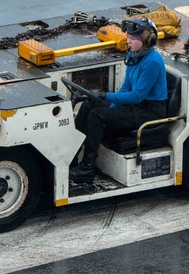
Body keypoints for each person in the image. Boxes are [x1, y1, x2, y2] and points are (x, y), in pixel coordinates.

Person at [70, 17, 168, 183]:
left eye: (132, 38)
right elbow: (125, 87)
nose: (128, 41)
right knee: (89, 105)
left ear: (146, 41)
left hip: (150, 111)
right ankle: (71, 156)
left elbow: (137, 96)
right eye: (128, 37)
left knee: (97, 116)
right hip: (137, 105)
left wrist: (107, 97)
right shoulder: (133, 55)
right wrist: (113, 107)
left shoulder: (152, 62)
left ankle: (87, 168)